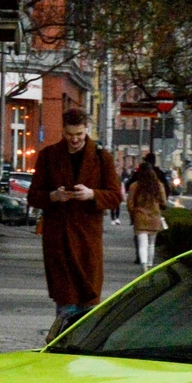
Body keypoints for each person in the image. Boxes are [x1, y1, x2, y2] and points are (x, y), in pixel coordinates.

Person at [28, 110, 123, 334]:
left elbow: (116, 196)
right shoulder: (49, 156)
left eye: (79, 134)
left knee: (89, 298)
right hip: (58, 239)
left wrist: (92, 195)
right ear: (63, 130)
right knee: (65, 299)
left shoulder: (102, 157)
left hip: (87, 240)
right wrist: (53, 196)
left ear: (86, 129)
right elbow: (33, 195)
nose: (75, 139)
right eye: (70, 134)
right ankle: (62, 342)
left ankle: (85, 343)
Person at [127, 152, 169, 268]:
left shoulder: (135, 186)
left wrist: (133, 214)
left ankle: (144, 265)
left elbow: (130, 204)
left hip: (140, 217)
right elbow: (164, 202)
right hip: (154, 217)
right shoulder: (158, 185)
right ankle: (150, 265)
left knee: (142, 244)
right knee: (151, 244)